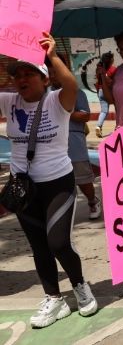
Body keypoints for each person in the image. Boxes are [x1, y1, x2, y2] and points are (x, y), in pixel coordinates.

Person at [0, 34, 98, 328]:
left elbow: (71, 84)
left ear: (44, 78)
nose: (22, 78)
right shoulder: (8, 102)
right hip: (23, 186)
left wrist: (53, 55)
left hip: (57, 183)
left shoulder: (58, 99)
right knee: (38, 246)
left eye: (29, 72)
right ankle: (54, 299)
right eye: (17, 74)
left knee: (58, 242)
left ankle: (80, 286)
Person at [48, 53, 101, 220]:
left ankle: (92, 201)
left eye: (56, 70)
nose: (53, 75)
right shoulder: (44, 93)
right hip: (51, 145)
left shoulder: (77, 93)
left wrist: (63, 109)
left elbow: (85, 116)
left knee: (83, 179)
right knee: (56, 182)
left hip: (74, 142)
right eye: (50, 71)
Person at [94, 52, 116, 138]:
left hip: (100, 91)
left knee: (104, 111)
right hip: (110, 92)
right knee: (118, 109)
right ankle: (118, 126)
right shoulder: (113, 69)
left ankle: (98, 126)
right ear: (111, 60)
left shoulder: (98, 69)